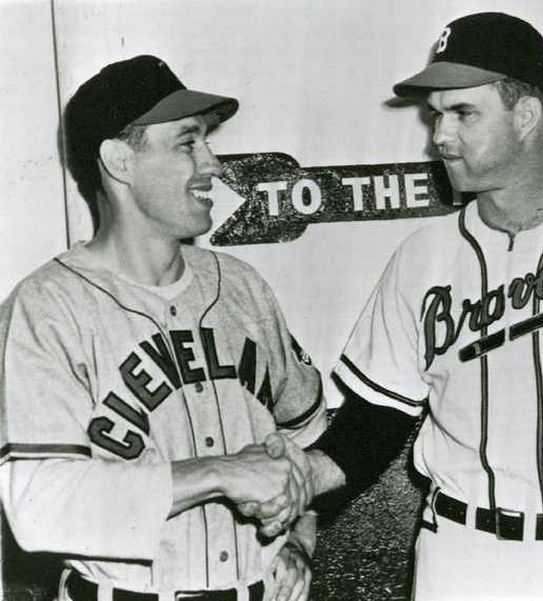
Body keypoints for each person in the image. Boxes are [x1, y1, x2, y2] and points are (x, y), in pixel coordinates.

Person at [254, 11, 543, 598]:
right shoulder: (423, 257)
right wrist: (301, 473)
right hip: (462, 555)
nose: (440, 136)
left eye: (464, 113)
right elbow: (375, 420)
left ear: (527, 115)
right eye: (435, 115)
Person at [0, 55, 324, 601]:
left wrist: (299, 537)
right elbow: (38, 507)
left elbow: (310, 442)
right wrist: (218, 472)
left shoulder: (243, 288)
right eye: (187, 142)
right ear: (119, 161)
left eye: (207, 141)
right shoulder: (44, 309)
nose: (214, 165)